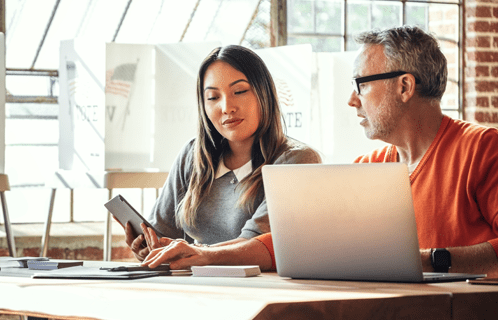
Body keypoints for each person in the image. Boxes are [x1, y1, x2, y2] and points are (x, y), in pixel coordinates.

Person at [141, 26, 498, 278]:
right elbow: (289, 244)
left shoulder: (483, 149)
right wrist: (204, 255)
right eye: (212, 97)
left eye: (361, 84)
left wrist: (428, 261)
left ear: (405, 86)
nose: (351, 99)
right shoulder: (367, 169)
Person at [126, 45, 321, 261]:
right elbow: (163, 233)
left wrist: (201, 252)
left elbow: (259, 244)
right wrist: (150, 248)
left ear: (263, 93)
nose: (227, 107)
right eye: (213, 97)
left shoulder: (297, 161)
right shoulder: (192, 155)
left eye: (239, 92)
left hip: (260, 289)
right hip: (196, 287)